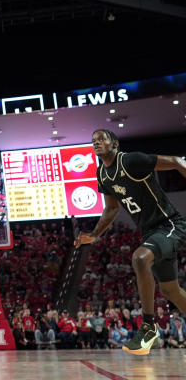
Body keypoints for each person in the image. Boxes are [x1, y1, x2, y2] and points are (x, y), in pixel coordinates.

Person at [75, 129, 186, 355]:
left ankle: (148, 328)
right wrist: (95, 234)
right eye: (93, 140)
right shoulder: (102, 174)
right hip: (150, 233)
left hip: (169, 225)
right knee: (170, 290)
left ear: (114, 143)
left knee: (140, 257)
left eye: (101, 139)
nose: (96, 143)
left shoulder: (131, 160)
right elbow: (112, 208)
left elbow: (175, 161)